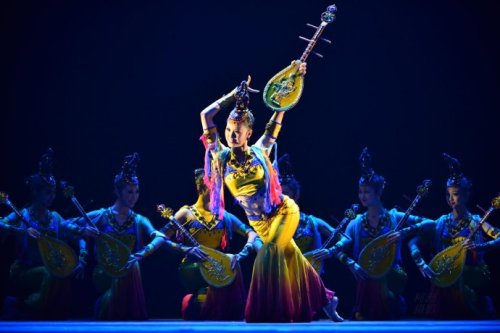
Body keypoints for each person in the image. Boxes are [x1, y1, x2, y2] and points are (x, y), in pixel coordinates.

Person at [199, 63, 338, 323]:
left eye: (238, 131)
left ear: (249, 133)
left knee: (268, 254)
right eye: (229, 130)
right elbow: (206, 115)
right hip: (259, 224)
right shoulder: (221, 156)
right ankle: (327, 300)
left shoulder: (261, 150)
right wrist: (233, 95)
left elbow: (277, 117)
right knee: (291, 256)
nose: (232, 135)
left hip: (283, 212)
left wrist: (292, 85)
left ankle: (273, 312)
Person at [323, 147, 429, 320]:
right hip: (365, 284)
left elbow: (430, 223)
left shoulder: (395, 217)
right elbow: (340, 247)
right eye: (360, 191)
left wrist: (405, 232)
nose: (362, 196)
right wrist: (350, 263)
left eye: (367, 191)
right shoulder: (356, 222)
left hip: (391, 280)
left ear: (379, 192)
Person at [0, 149, 93, 320]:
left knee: (60, 272)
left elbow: (78, 236)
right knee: (49, 273)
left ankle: (48, 313)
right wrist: (22, 231)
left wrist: (82, 259)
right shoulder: (23, 215)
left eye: (54, 192)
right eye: (47, 192)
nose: (52, 197)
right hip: (25, 271)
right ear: (35, 193)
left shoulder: (55, 218)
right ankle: (25, 308)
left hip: (51, 268)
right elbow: (1, 223)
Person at [72, 152, 166, 320]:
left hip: (128, 269)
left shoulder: (138, 220)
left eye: (137, 192)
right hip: (104, 272)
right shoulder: (101, 215)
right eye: (129, 192)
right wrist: (82, 240)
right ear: (117, 191)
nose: (134, 197)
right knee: (130, 267)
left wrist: (142, 253)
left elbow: (159, 237)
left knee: (132, 264)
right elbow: (65, 225)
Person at [403, 153, 498, 319]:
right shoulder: (441, 222)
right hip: (446, 274)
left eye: (455, 194)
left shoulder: (477, 221)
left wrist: (481, 246)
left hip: (474, 273)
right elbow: (413, 242)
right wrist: (421, 264)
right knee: (446, 278)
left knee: (457, 278)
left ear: (467, 194)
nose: (451, 199)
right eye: (448, 194)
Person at [160, 168, 261, 320]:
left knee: (230, 262)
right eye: (214, 186)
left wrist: (242, 253)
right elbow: (160, 238)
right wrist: (186, 249)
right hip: (193, 266)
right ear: (201, 186)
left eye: (219, 186)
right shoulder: (186, 213)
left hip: (216, 265)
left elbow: (251, 232)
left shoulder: (222, 215)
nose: (218, 190)